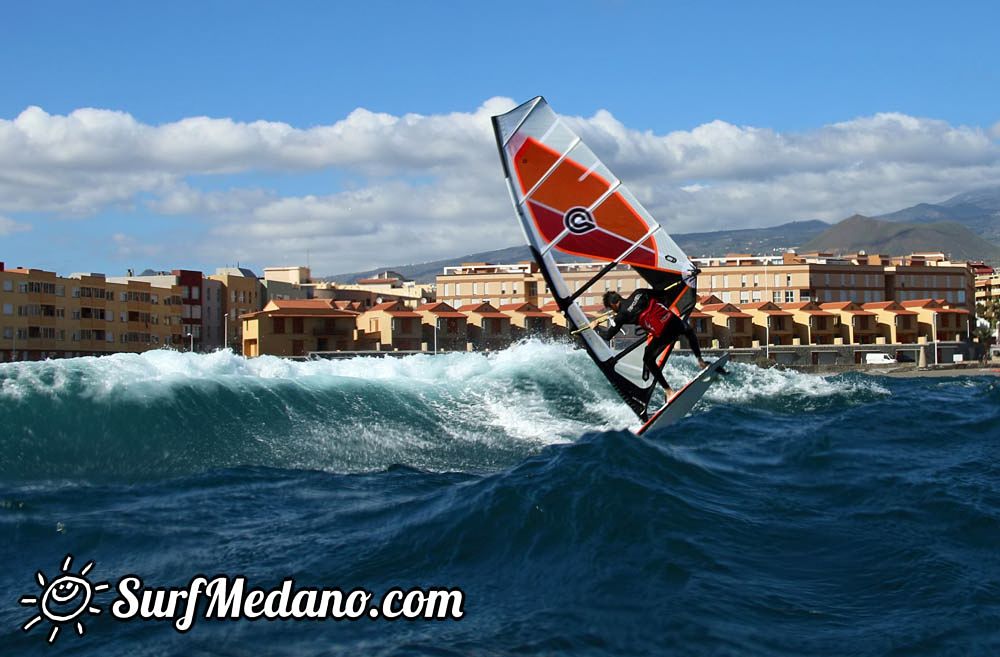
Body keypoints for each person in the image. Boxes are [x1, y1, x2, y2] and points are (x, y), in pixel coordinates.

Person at [601, 288, 708, 402]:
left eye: (611, 308)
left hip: (664, 334)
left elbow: (607, 335)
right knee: (688, 331)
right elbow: (663, 294)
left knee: (648, 359)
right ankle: (701, 361)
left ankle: (669, 391)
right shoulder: (639, 293)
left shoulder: (621, 316)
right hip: (673, 322)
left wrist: (595, 327)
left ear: (613, 304)